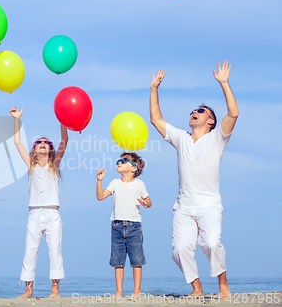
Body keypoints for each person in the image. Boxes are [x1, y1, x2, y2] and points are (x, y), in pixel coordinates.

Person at [149, 61, 239, 298]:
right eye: (192, 111)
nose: (194, 112)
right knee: (180, 250)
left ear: (210, 121)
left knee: (210, 244)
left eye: (201, 111)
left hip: (209, 205)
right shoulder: (181, 138)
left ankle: (223, 282)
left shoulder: (217, 138)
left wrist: (224, 83)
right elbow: (156, 120)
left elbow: (233, 114)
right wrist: (154, 89)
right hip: (184, 208)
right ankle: (197, 289)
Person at [10, 106, 68, 298]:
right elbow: (17, 142)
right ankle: (28, 289)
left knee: (55, 251)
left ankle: (55, 289)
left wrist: (63, 120)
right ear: (34, 150)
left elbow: (64, 141)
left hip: (52, 213)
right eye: (38, 142)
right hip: (34, 213)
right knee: (30, 251)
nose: (42, 143)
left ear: (50, 150)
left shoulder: (55, 165)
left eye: (46, 142)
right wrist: (17, 119)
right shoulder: (31, 165)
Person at [96, 152, 151, 298]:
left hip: (134, 226)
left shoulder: (139, 184)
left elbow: (149, 201)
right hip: (116, 226)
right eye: (119, 160)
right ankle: (119, 291)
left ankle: (136, 291)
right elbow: (100, 197)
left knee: (136, 261)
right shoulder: (115, 183)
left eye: (124, 160)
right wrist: (99, 181)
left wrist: (146, 203)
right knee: (118, 261)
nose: (119, 162)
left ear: (134, 168)